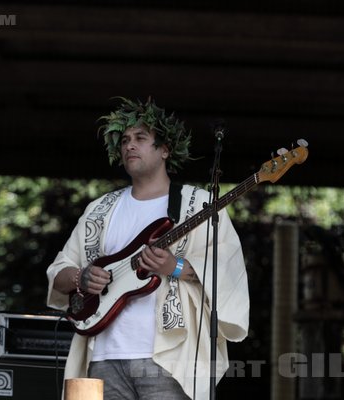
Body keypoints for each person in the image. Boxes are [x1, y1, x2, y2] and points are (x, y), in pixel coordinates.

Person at [46, 97, 249, 400]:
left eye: (141, 138)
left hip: (168, 360)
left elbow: (228, 271)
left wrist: (175, 267)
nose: (129, 145)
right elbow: (59, 273)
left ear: (165, 149)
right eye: (125, 140)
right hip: (102, 358)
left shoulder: (200, 206)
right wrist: (81, 278)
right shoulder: (100, 210)